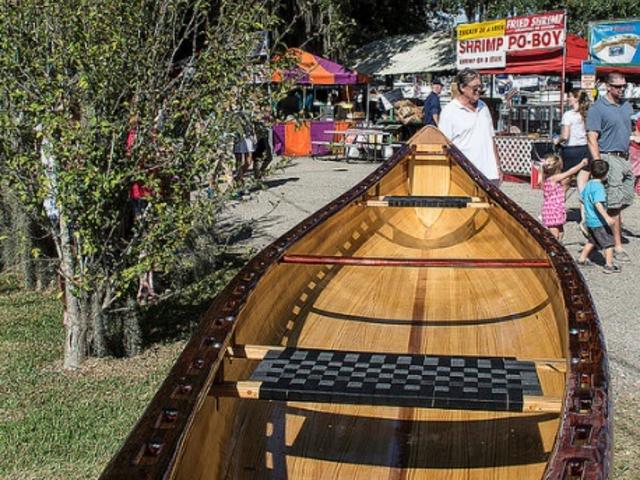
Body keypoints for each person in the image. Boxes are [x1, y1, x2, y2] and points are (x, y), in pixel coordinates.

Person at [586, 71, 635, 263]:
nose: (621, 89)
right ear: (608, 86)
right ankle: (616, 245)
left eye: (623, 86)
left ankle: (596, 230)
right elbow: (592, 137)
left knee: (625, 199)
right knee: (614, 205)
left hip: (624, 158)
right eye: (617, 86)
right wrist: (599, 164)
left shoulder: (626, 106)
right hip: (608, 157)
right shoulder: (597, 108)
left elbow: (627, 130)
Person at [439, 68, 502, 185]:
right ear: (462, 87)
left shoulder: (484, 107)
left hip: (490, 175)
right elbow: (444, 146)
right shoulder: (449, 112)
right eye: (475, 88)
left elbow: (491, 139)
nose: (479, 91)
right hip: (465, 176)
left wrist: (498, 166)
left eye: (481, 87)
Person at [576, 160, 620, 274]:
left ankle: (582, 259)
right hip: (599, 221)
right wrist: (607, 217)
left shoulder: (589, 184)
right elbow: (598, 203)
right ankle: (609, 265)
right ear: (606, 174)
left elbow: (581, 198)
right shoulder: (598, 187)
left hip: (590, 220)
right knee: (609, 243)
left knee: (592, 240)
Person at [540, 154, 588, 241]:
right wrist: (581, 164)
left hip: (557, 209)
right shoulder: (553, 178)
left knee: (561, 231)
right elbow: (570, 172)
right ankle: (554, 249)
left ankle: (559, 245)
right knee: (554, 234)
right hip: (552, 210)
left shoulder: (545, 177)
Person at [555, 90, 592, 195]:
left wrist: (557, 140)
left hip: (570, 150)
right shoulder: (586, 114)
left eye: (570, 96)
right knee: (582, 186)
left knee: (565, 182)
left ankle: (557, 208)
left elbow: (565, 136)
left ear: (576, 99)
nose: (568, 98)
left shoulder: (568, 115)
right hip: (585, 149)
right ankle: (584, 211)